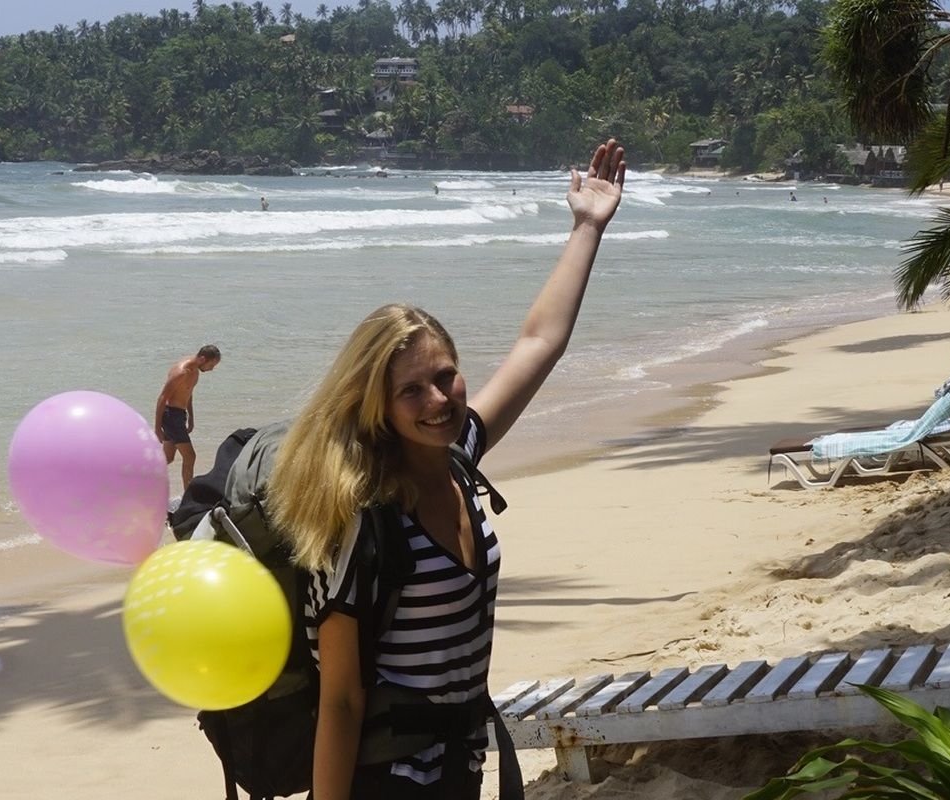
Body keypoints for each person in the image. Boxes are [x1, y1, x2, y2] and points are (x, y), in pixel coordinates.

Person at [266, 140, 625, 800]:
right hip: (392, 781)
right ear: (376, 406)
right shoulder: (364, 525)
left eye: (445, 377)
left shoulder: (458, 461)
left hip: (458, 765)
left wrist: (585, 228)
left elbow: (538, 342)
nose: (438, 400)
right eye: (412, 391)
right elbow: (341, 703)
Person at [154, 345, 221, 490]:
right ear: (203, 358)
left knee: (168, 457)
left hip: (178, 415)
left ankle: (141, 476)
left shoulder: (195, 370)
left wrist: (190, 416)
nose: (211, 369)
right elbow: (162, 398)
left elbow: (188, 393)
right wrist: (157, 428)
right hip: (171, 416)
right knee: (190, 456)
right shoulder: (182, 372)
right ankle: (188, 498)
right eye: (211, 365)